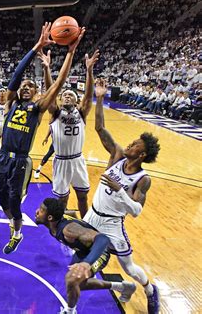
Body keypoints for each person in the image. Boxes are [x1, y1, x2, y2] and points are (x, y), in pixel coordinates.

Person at [0, 22, 85, 254]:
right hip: (3, 156)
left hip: (21, 160)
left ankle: (17, 233)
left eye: (31, 86)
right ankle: (15, 222)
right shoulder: (11, 102)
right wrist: (35, 48)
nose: (26, 87)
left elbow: (60, 83)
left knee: (13, 200)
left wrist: (71, 52)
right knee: (2, 199)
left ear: (36, 92)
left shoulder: (38, 108)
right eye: (24, 85)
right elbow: (16, 76)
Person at [84, 79, 160, 314]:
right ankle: (124, 287)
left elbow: (136, 211)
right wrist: (98, 98)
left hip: (112, 223)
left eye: (136, 144)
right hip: (92, 215)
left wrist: (119, 190)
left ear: (143, 154)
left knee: (128, 266)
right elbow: (99, 128)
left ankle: (149, 290)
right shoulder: (117, 155)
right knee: (79, 250)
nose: (130, 143)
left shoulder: (142, 179)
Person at [35, 198, 136, 314]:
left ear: (50, 218)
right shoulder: (57, 223)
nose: (37, 211)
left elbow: (103, 239)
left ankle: (70, 311)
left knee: (71, 280)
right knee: (77, 285)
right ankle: (122, 287)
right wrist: (80, 239)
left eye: (41, 210)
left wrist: (86, 263)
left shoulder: (68, 230)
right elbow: (72, 213)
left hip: (100, 252)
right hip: (83, 251)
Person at [37, 49, 99, 218]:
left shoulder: (82, 112)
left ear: (76, 100)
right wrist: (46, 69)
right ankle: (61, 226)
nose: (66, 96)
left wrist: (89, 71)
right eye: (64, 95)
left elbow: (87, 96)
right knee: (62, 200)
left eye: (70, 95)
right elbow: (51, 91)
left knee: (82, 196)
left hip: (77, 159)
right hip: (62, 161)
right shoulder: (55, 112)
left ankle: (86, 223)